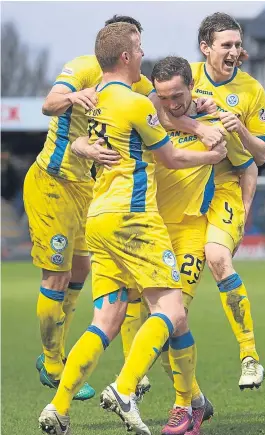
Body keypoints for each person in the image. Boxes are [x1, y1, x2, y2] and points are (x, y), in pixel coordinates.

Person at [38, 23, 227, 435]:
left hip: (99, 218)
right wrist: (212, 155)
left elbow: (83, 136)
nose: (143, 54)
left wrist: (77, 146)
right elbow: (172, 157)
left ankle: (58, 406)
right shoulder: (135, 103)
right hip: (135, 217)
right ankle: (125, 389)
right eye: (139, 48)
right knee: (172, 311)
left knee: (105, 318)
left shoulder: (96, 99)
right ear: (125, 56)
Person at [23, 15, 157, 401]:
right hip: (53, 181)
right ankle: (51, 363)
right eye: (136, 42)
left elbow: (161, 100)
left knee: (79, 271)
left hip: (89, 190)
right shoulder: (82, 68)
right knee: (57, 277)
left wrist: (195, 104)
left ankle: (57, 354)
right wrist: (73, 97)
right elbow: (49, 104)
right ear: (118, 46)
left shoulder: (136, 83)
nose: (141, 50)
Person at [189, 12, 265, 388]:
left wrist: (240, 130)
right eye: (227, 45)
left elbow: (262, 154)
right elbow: (152, 106)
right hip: (183, 192)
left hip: (225, 188)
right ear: (206, 48)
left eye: (238, 45)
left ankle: (250, 356)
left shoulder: (252, 90)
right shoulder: (185, 78)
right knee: (171, 289)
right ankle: (143, 381)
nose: (235, 51)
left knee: (218, 258)